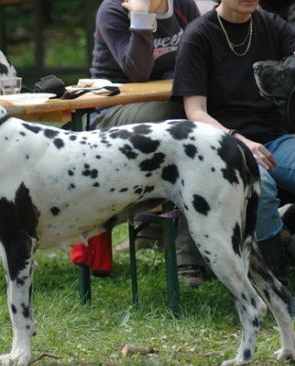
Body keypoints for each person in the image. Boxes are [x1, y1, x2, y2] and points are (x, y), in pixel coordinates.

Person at [171, 0, 295, 317]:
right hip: (224, 146)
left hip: (276, 139)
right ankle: (281, 295)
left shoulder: (270, 24)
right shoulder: (199, 35)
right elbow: (195, 112)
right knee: (264, 189)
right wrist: (239, 141)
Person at [69, 0, 201, 277]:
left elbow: (198, 58)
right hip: (110, 115)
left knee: (193, 127)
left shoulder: (183, 7)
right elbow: (136, 71)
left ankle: (190, 250)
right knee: (183, 119)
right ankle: (184, 257)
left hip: (167, 110)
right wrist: (140, 16)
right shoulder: (113, 10)